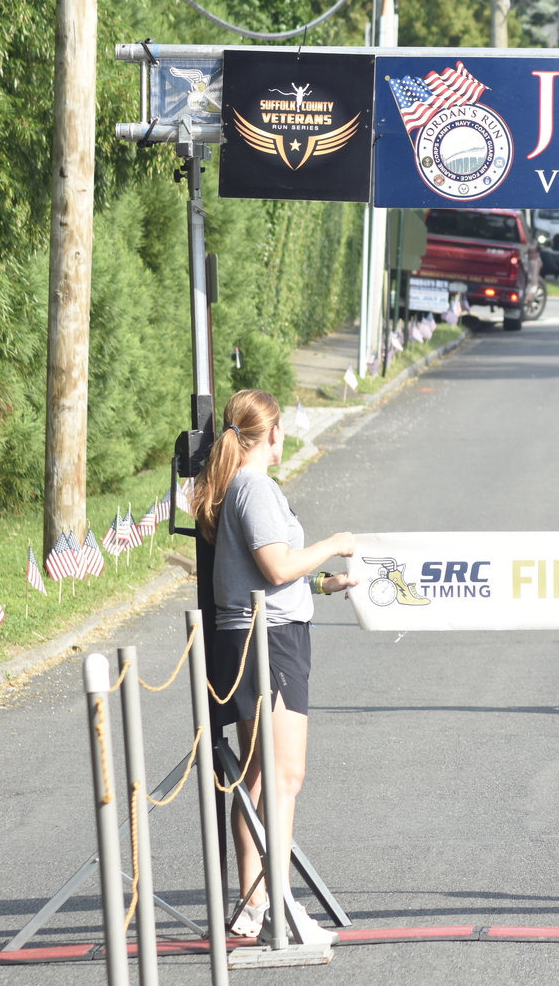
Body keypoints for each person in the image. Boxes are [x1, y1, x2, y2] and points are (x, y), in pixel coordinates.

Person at [190, 389, 359, 943]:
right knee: (285, 777)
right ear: (272, 434)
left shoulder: (243, 486)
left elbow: (269, 572)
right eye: (282, 431)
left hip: (256, 633)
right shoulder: (255, 486)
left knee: (256, 778)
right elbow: (276, 564)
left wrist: (321, 583)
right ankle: (280, 905)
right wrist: (333, 543)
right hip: (268, 641)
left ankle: (255, 902)